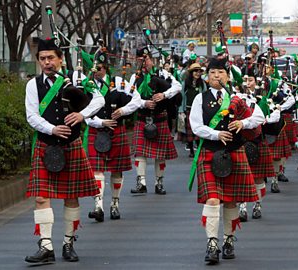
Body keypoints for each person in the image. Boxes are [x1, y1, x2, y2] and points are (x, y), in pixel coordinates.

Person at [24, 38, 104, 263]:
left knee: (71, 196)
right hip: (46, 144)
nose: (46, 63)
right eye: (42, 59)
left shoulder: (77, 79)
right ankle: (46, 246)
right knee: (41, 197)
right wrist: (51, 129)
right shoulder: (33, 85)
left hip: (71, 144)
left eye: (50, 58)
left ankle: (68, 243)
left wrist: (82, 115)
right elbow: (32, 115)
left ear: (60, 59)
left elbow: (99, 99)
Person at [189, 57, 264, 264]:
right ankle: (212, 243)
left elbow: (259, 117)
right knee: (213, 199)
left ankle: (228, 240)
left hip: (234, 152)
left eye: (220, 72)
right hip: (210, 152)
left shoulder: (239, 97)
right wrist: (216, 134)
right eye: (212, 72)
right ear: (207, 76)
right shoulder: (200, 99)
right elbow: (196, 126)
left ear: (227, 76)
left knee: (231, 200)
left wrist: (243, 122)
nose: (216, 76)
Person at [85, 54, 142, 222]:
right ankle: (98, 206)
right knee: (97, 170)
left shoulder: (119, 83)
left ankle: (115, 204)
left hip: (117, 131)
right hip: (97, 130)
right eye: (94, 69)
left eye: (100, 69)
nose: (96, 72)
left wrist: (123, 111)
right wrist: (101, 122)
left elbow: (137, 100)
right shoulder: (87, 86)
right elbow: (83, 111)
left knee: (116, 170)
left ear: (106, 69)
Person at [130, 47, 182, 195]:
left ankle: (159, 183)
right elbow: (130, 95)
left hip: (159, 117)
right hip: (142, 117)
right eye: (141, 59)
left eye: (146, 59)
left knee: (160, 154)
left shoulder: (163, 74)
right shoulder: (135, 77)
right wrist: (143, 103)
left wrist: (164, 95)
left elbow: (177, 86)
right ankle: (141, 182)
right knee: (140, 152)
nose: (144, 62)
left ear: (151, 60)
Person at [238, 69, 277, 221]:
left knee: (258, 179)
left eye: (250, 80)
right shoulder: (236, 101)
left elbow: (267, 117)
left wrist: (266, 118)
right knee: (241, 177)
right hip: (240, 144)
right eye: (245, 81)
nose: (247, 83)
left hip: (257, 142)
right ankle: (242, 208)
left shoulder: (261, 102)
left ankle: (257, 206)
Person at [179, 63, 207, 157]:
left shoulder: (202, 84)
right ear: (191, 72)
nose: (197, 73)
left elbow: (205, 96)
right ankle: (191, 150)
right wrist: (181, 110)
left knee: (199, 130)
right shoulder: (185, 83)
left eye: (199, 71)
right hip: (188, 109)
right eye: (195, 71)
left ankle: (199, 150)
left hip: (199, 110)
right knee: (189, 132)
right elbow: (182, 97)